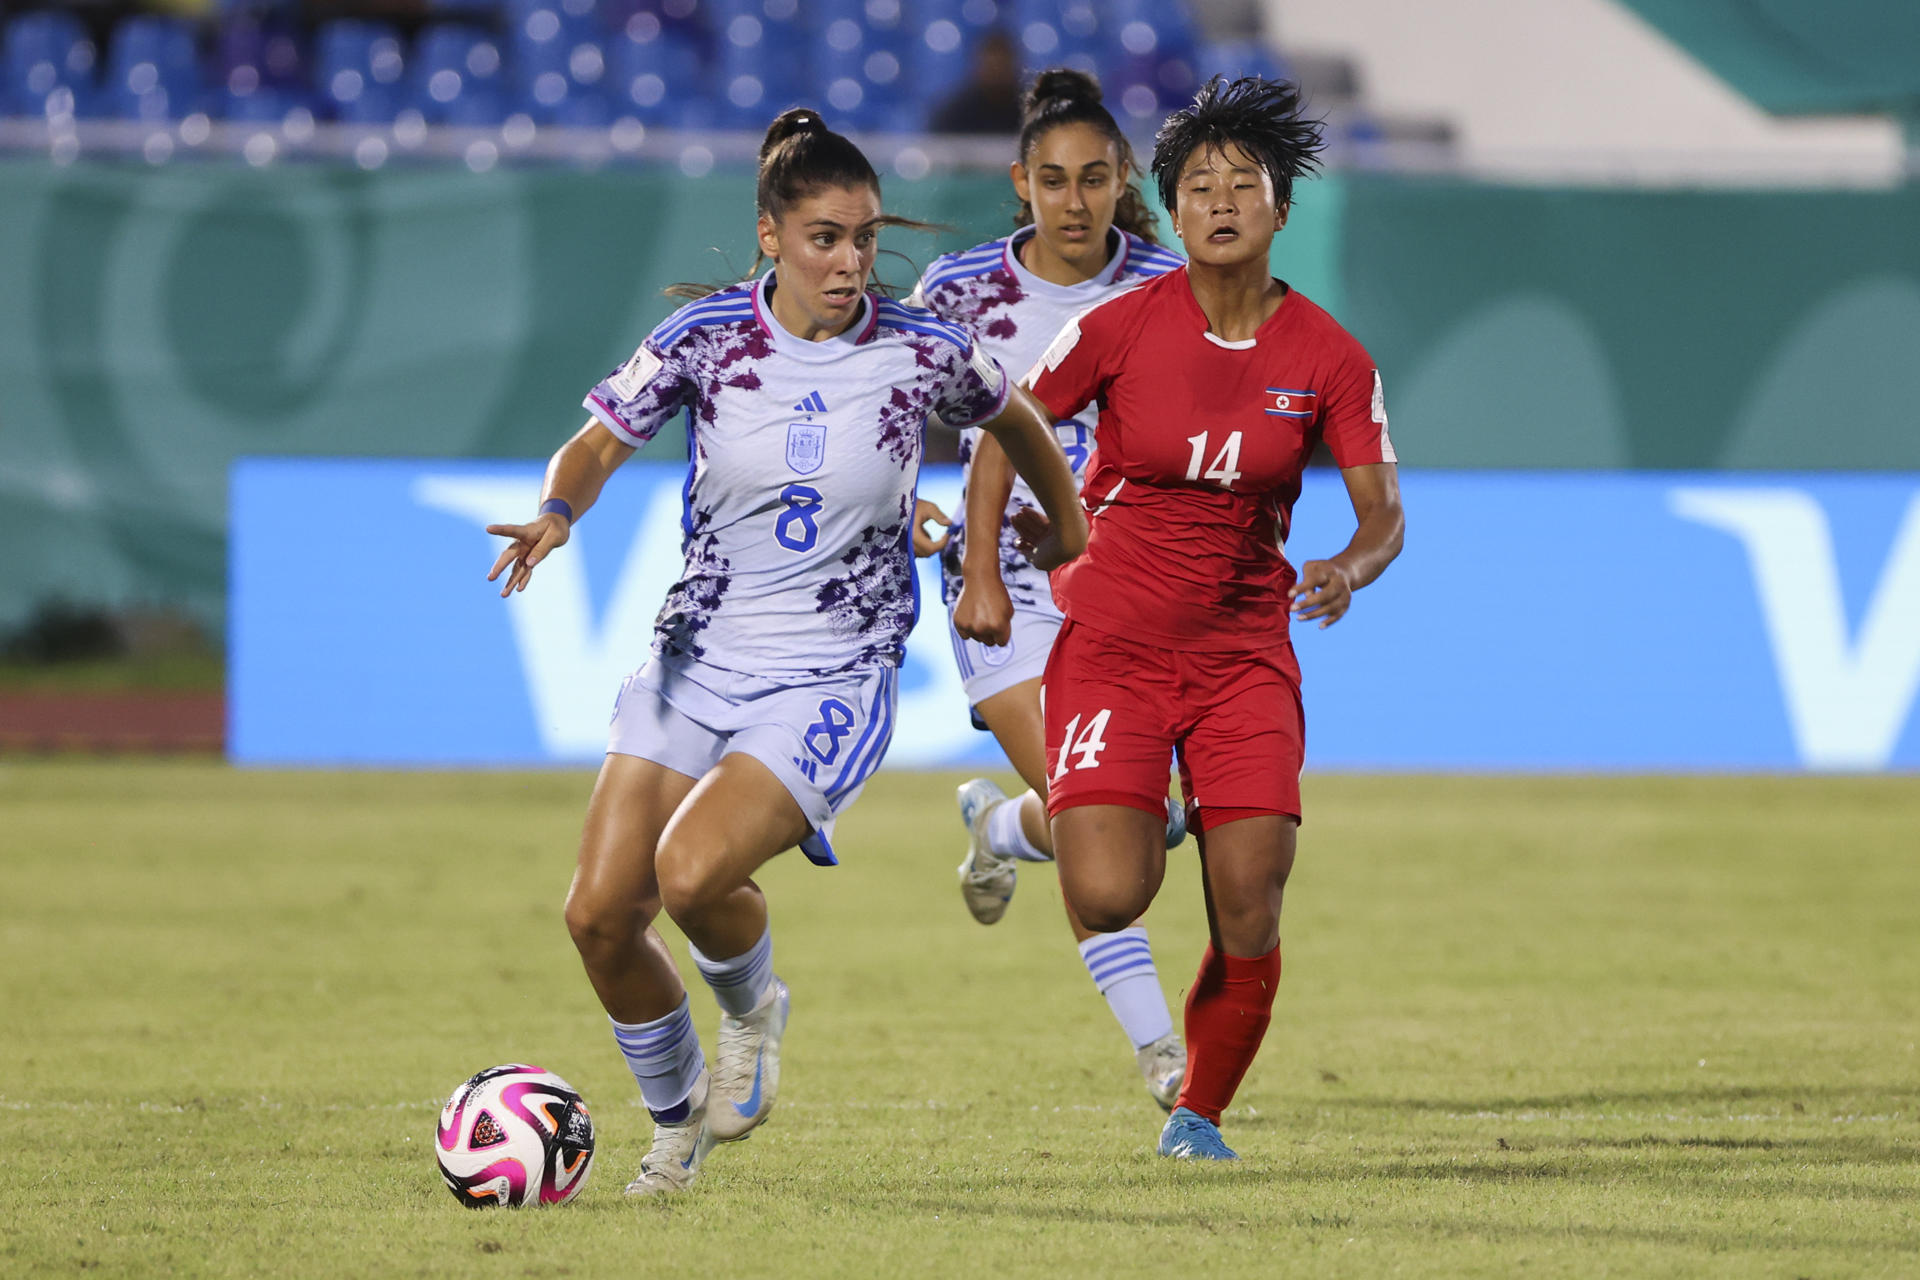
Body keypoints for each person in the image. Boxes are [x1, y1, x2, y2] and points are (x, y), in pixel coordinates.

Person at [483, 108, 1087, 1196]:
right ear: (770, 236)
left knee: (692, 870)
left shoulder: (920, 351)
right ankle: (675, 1128)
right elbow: (599, 440)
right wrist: (557, 512)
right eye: (824, 237)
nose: (850, 260)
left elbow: (1022, 420)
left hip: (832, 671)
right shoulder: (706, 340)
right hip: (695, 656)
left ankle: (752, 1008)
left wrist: (1068, 531)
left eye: (862, 236)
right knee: (597, 913)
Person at [1013, 75, 1404, 1160]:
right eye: (1198, 185)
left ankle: (1199, 1114)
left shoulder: (1330, 356)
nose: (1222, 200)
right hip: (1115, 645)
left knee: (1251, 906)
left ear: (1281, 211)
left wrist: (1347, 568)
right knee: (1108, 888)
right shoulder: (1119, 326)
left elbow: (1384, 518)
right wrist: (990, 572)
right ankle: (1064, 818)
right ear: (1171, 212)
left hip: (1243, 659)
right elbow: (1008, 426)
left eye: (1245, 184)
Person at [907, 68, 1193, 1111]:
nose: (1076, 203)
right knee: (1104, 827)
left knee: (1158, 823)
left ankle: (997, 828)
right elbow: (891, 414)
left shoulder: (1172, 288)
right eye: (1055, 181)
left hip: (1133, 597)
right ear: (1022, 182)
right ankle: (1165, 1053)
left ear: (1125, 182)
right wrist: (924, 527)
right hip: (1011, 599)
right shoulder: (956, 292)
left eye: (1097, 180)